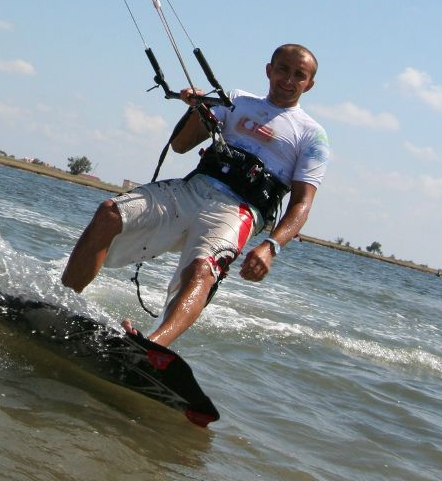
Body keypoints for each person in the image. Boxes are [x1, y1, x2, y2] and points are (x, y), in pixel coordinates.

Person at [61, 43, 329, 349]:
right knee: (109, 213)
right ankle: (61, 301)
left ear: (309, 84)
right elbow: (181, 145)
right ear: (269, 70)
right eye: (283, 69)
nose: (289, 79)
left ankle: (150, 348)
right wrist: (198, 108)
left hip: (238, 212)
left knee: (203, 270)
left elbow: (302, 203)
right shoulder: (236, 100)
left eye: (299, 75)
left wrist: (271, 246)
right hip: (192, 190)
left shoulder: (312, 135)